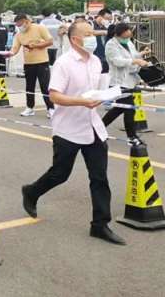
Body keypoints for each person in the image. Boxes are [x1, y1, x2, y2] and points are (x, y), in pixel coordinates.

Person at [21, 21, 125, 245]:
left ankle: (100, 225)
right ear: (75, 39)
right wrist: (82, 101)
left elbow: (99, 89)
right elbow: (55, 96)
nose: (93, 37)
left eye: (93, 33)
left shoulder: (96, 61)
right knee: (60, 174)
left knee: (99, 177)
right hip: (67, 130)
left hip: (93, 127)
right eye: (88, 34)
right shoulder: (63, 64)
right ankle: (31, 192)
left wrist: (110, 94)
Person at [102, 23, 150, 143]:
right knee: (129, 108)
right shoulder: (111, 45)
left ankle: (99, 128)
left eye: (128, 37)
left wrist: (141, 54)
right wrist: (135, 61)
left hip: (130, 80)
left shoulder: (128, 43)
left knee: (119, 108)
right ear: (118, 35)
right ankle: (132, 136)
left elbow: (133, 55)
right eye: (124, 37)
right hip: (119, 81)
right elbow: (117, 61)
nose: (127, 39)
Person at [7, 14, 56, 118]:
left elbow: (50, 41)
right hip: (28, 63)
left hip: (42, 62)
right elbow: (15, 48)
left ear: (26, 21)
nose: (19, 27)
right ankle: (30, 108)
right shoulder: (19, 35)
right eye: (17, 25)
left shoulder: (39, 28)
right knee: (29, 86)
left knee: (45, 86)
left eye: (20, 24)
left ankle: (51, 108)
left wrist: (36, 45)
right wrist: (9, 54)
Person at [93, 8, 113, 76]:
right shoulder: (91, 24)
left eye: (109, 20)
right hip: (94, 56)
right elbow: (89, 32)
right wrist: (104, 32)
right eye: (106, 19)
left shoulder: (106, 27)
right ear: (100, 16)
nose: (107, 21)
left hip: (104, 57)